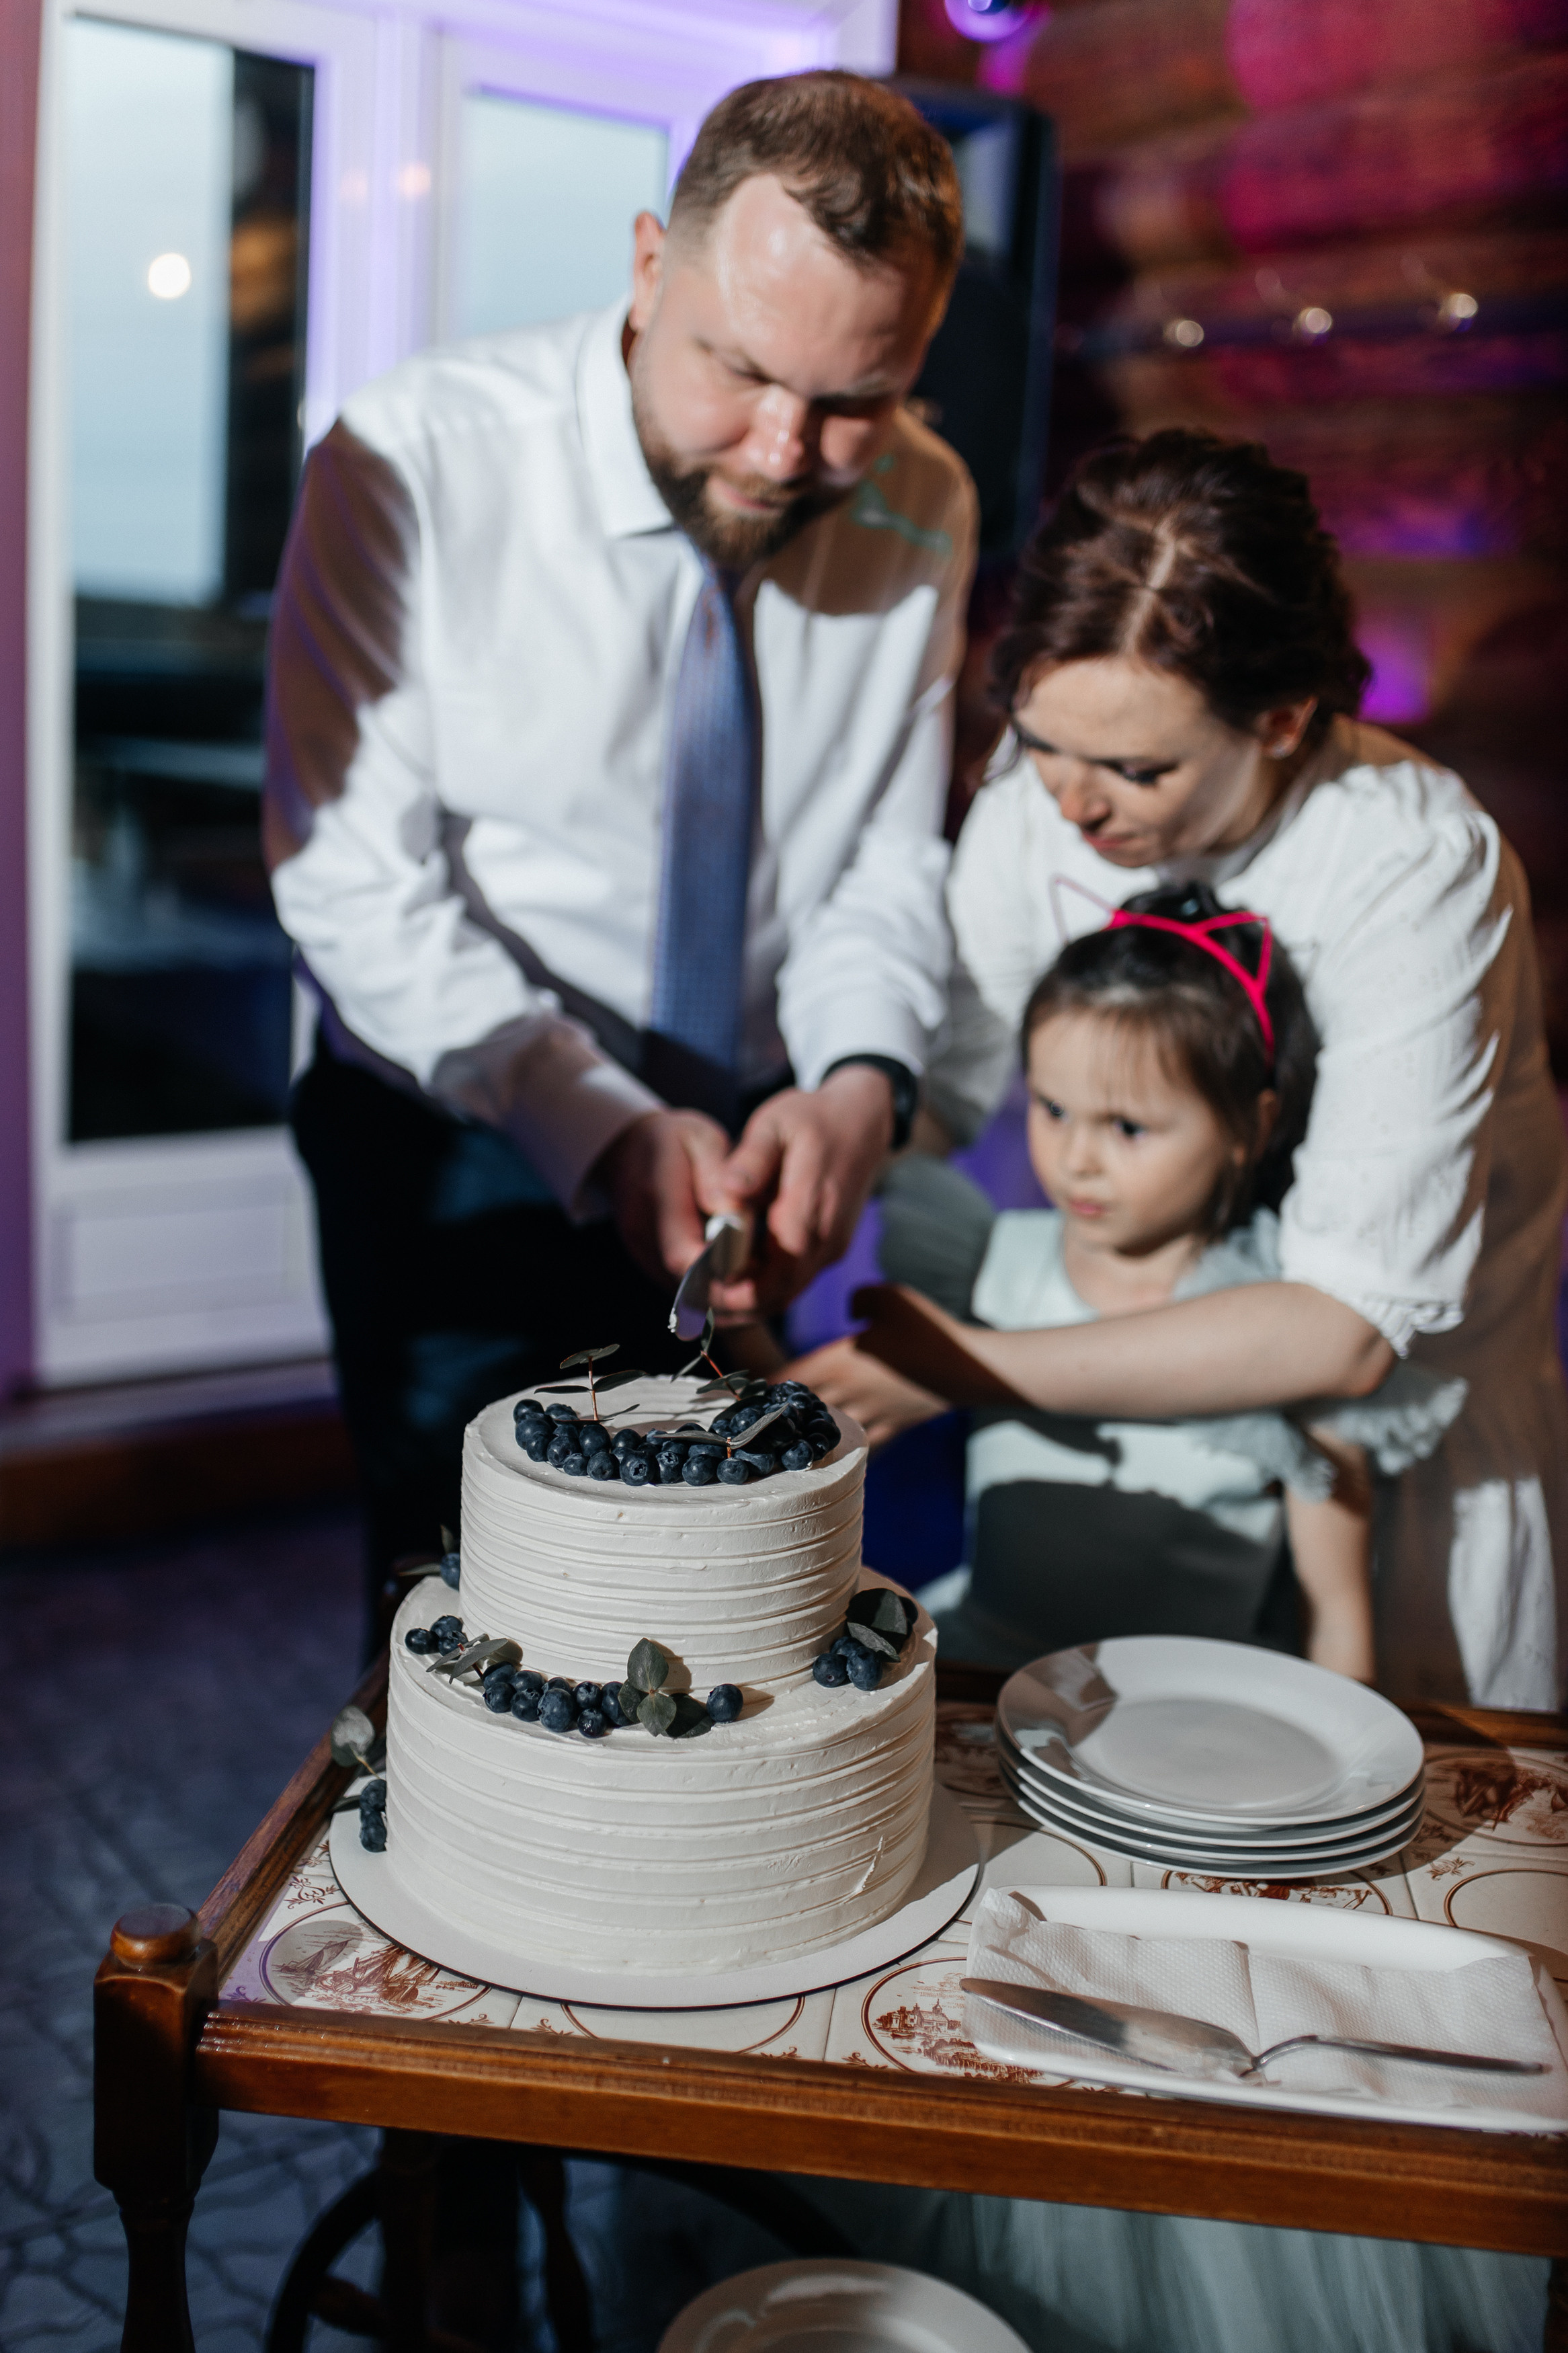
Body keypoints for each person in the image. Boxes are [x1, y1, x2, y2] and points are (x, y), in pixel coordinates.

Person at [261, 73, 977, 1606]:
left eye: (858, 398)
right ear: (652, 264)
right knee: (462, 1609)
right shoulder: (414, 460)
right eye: (739, 370)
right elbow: (351, 877)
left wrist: (860, 1079)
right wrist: (591, 1119)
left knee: (728, 1596)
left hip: (746, 1144)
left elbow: (884, 856)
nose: (787, 449)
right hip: (462, 1131)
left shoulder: (929, 501)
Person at [800, 429, 1567, 1710]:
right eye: (1038, 737)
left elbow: (1343, 1328)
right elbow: (944, 1092)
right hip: (1144, 1474)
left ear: (1281, 719)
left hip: (1391, 1473)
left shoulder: (1409, 865)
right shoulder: (1038, 798)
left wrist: (975, 1367)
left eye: (1136, 769)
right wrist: (814, 1152)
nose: (1067, 804)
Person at [869, 880, 1470, 1682]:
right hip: (990, 1679)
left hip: (1196, 1712)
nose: (1076, 1158)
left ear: (1249, 1126)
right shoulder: (987, 1261)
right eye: (1052, 1108)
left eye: (1125, 1126)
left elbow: (1335, 1618)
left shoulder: (1288, 1329)